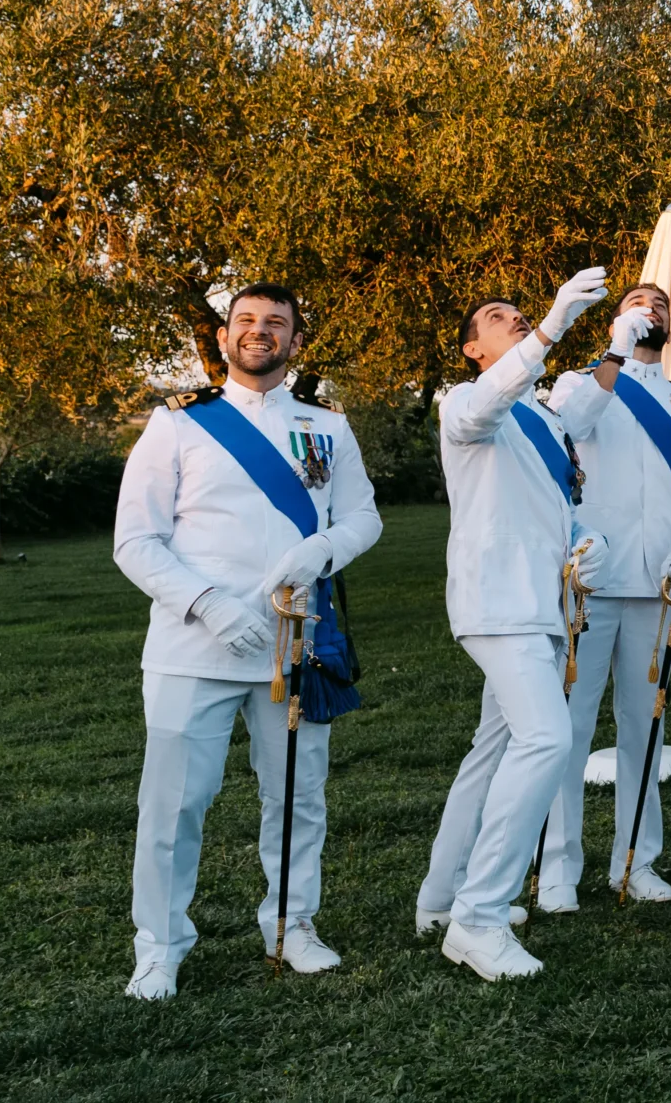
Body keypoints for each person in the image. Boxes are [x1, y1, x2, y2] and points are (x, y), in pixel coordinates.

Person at [113, 283, 383, 1000]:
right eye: (246, 321)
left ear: (296, 340)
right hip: (190, 646)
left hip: (294, 642)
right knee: (174, 804)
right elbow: (134, 540)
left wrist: (321, 550)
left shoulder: (327, 425)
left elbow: (364, 517)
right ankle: (159, 945)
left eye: (276, 323)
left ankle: (293, 926)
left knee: (298, 796)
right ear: (225, 335)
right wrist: (207, 605)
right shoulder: (177, 425)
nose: (259, 332)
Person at [416, 267, 614, 981]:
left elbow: (559, 505)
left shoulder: (544, 417)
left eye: (521, 312)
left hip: (541, 603)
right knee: (546, 738)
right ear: (472, 348)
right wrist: (555, 324)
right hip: (498, 600)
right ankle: (479, 916)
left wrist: (589, 540)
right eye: (499, 315)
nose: (518, 317)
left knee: (493, 748)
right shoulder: (465, 400)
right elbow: (484, 409)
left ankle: (441, 897)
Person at [539, 283, 671, 910]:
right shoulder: (578, 382)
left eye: (661, 304)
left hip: (659, 582)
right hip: (589, 581)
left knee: (646, 725)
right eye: (638, 303)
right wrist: (612, 357)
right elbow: (570, 427)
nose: (652, 310)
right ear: (617, 319)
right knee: (568, 726)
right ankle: (560, 867)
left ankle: (636, 862)